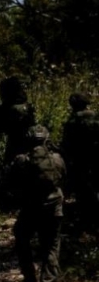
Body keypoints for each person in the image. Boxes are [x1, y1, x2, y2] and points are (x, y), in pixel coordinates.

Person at [4, 125, 66, 282]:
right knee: (51, 245)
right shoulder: (57, 159)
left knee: (21, 236)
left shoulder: (21, 161)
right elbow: (64, 179)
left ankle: (29, 276)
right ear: (47, 139)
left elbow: (9, 183)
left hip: (31, 208)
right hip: (54, 207)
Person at [60, 92, 99, 231]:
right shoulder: (96, 115)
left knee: (84, 191)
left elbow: (67, 145)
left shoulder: (73, 121)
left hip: (81, 160)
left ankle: (88, 220)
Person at [0, 76, 37, 165]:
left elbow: (1, 127)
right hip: (29, 142)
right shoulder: (27, 106)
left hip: (15, 143)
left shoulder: (9, 108)